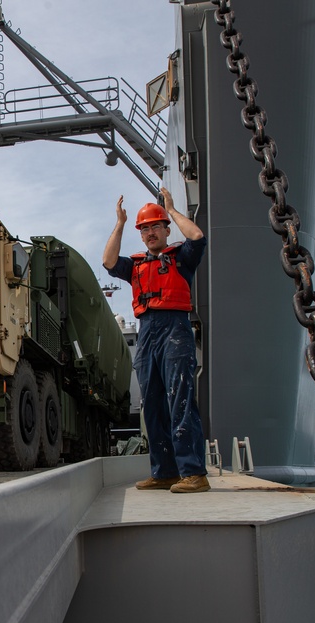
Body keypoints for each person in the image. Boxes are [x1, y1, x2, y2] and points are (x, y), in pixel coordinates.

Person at [102, 188, 210, 493]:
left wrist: (172, 210)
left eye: (155, 226)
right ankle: (164, 472)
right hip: (147, 330)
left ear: (166, 229)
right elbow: (108, 261)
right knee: (151, 403)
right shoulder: (135, 265)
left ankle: (194, 473)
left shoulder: (182, 258)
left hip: (175, 329)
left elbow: (198, 236)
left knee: (180, 398)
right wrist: (121, 224)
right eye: (145, 228)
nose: (150, 233)